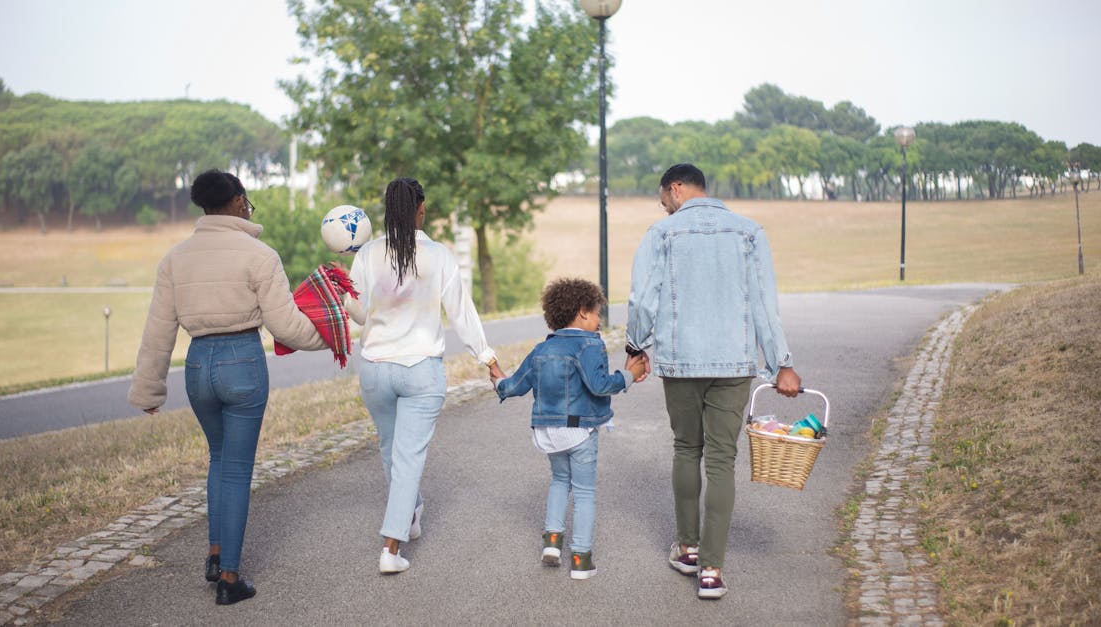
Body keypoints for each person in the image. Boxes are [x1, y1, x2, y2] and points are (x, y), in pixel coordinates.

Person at [128, 169, 329, 606]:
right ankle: (230, 580)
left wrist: (148, 391)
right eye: (247, 200)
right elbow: (285, 325)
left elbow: (158, 330)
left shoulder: (175, 259)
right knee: (236, 468)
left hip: (198, 366)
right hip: (242, 361)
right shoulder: (259, 255)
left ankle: (216, 555)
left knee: (218, 459)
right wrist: (329, 337)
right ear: (239, 201)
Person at [626, 163, 802, 600]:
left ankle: (687, 549)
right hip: (734, 364)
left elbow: (642, 298)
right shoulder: (749, 232)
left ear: (677, 188)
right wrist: (782, 361)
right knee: (722, 460)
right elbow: (765, 303)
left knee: (687, 449)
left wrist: (635, 346)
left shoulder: (661, 235)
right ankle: (711, 571)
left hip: (680, 361)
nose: (663, 206)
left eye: (663, 197)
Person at [342, 177, 504, 574]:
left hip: (376, 370)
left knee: (390, 449)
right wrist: (489, 360)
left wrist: (364, 300)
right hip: (421, 373)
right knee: (408, 457)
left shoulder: (367, 255)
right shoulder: (439, 256)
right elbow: (462, 314)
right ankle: (391, 549)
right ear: (420, 209)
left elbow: (358, 312)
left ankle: (411, 513)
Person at [491, 278, 647, 580]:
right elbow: (600, 386)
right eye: (598, 313)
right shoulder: (590, 345)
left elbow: (514, 386)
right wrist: (628, 375)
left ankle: (552, 542)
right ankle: (580, 558)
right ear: (583, 313)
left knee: (560, 480)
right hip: (581, 430)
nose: (600, 320)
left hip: (548, 431)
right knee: (585, 491)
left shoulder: (540, 350)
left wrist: (498, 380)